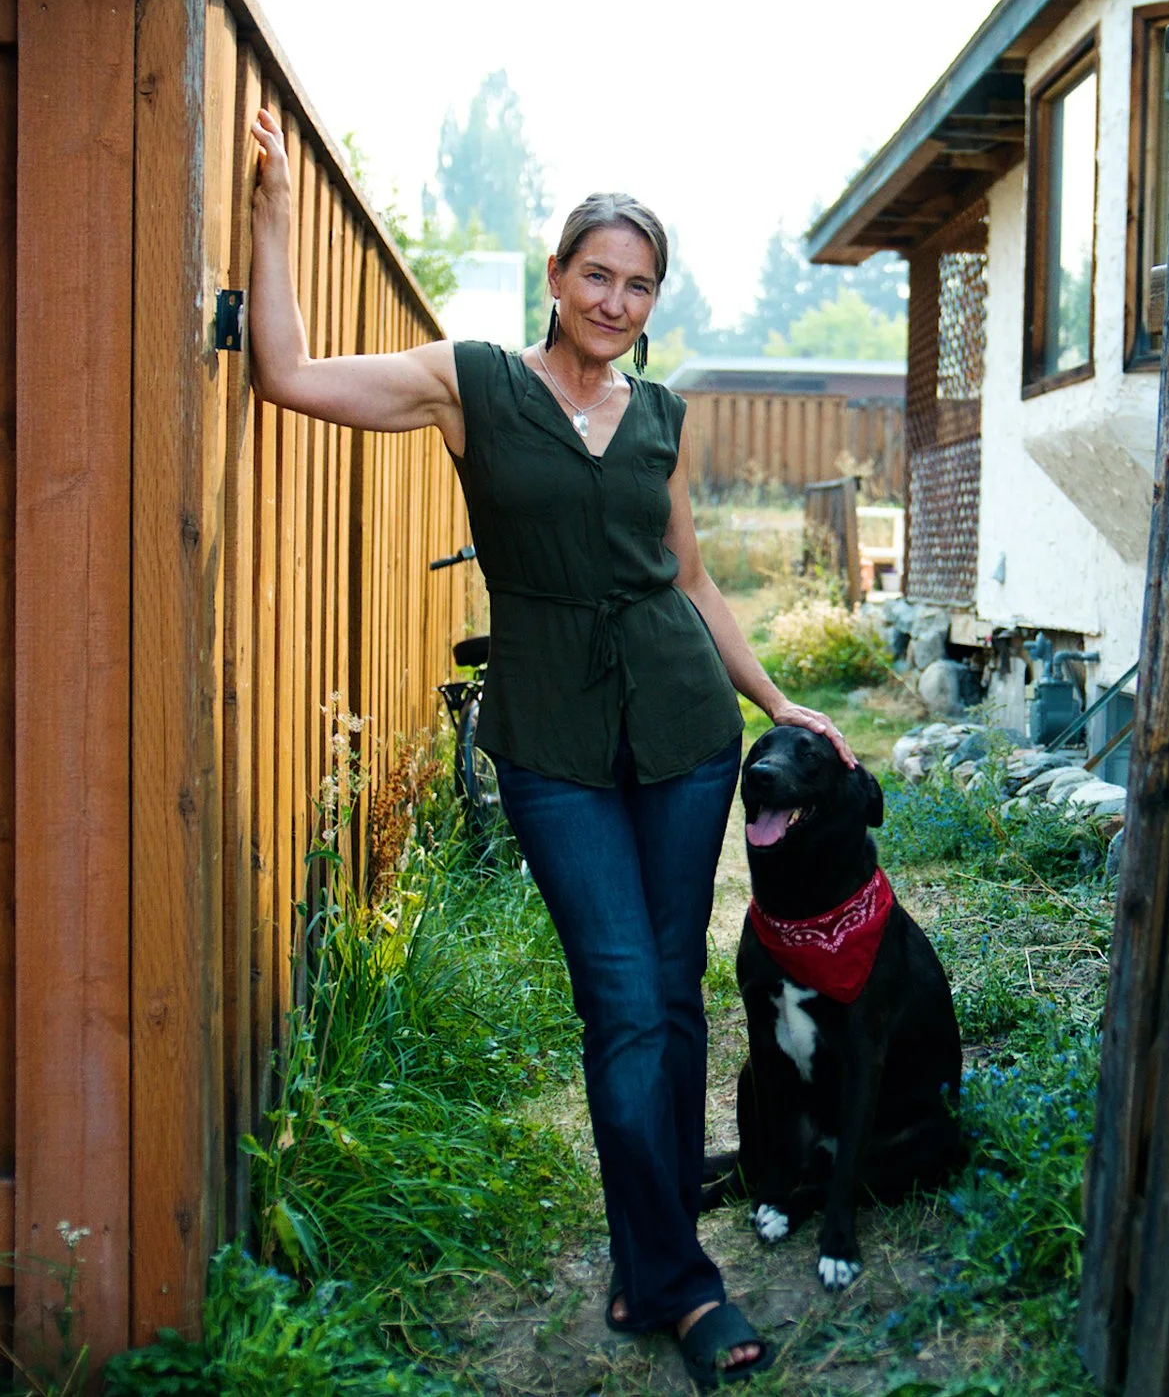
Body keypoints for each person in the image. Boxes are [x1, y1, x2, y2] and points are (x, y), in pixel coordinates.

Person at [246, 106, 856, 1389]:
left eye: (639, 285)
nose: (616, 301)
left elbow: (691, 581)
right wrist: (274, 217)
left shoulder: (663, 417)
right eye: (598, 274)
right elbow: (288, 375)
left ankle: (648, 1265)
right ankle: (684, 1284)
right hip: (556, 742)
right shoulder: (468, 381)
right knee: (622, 997)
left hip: (683, 730)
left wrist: (775, 701)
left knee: (672, 998)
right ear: (556, 274)